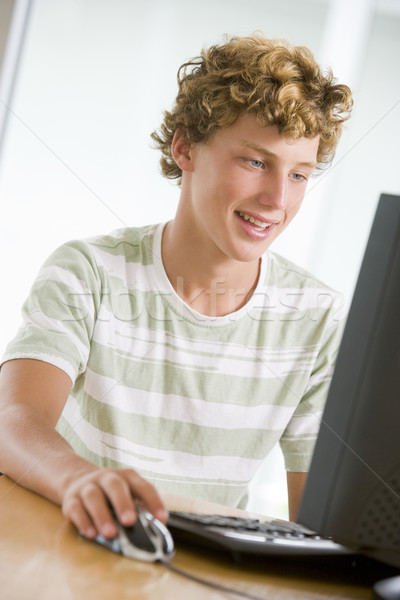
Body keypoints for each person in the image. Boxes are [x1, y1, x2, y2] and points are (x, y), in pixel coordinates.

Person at [0, 34, 353, 542]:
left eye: (299, 175)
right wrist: (81, 479)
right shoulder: (89, 271)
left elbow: (323, 528)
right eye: (255, 162)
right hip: (71, 553)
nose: (278, 199)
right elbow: (14, 418)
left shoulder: (317, 318)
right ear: (184, 146)